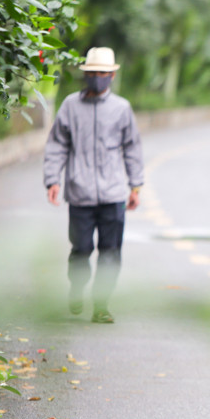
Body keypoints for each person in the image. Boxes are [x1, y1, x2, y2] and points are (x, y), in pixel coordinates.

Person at [43, 46, 144, 324]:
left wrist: (135, 186)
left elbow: (132, 148)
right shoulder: (70, 107)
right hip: (80, 194)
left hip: (113, 195)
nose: (98, 77)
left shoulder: (121, 109)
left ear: (112, 76)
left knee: (111, 252)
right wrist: (52, 179)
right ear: (86, 75)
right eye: (93, 73)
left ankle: (101, 305)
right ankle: (77, 289)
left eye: (103, 73)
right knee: (81, 249)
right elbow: (57, 145)